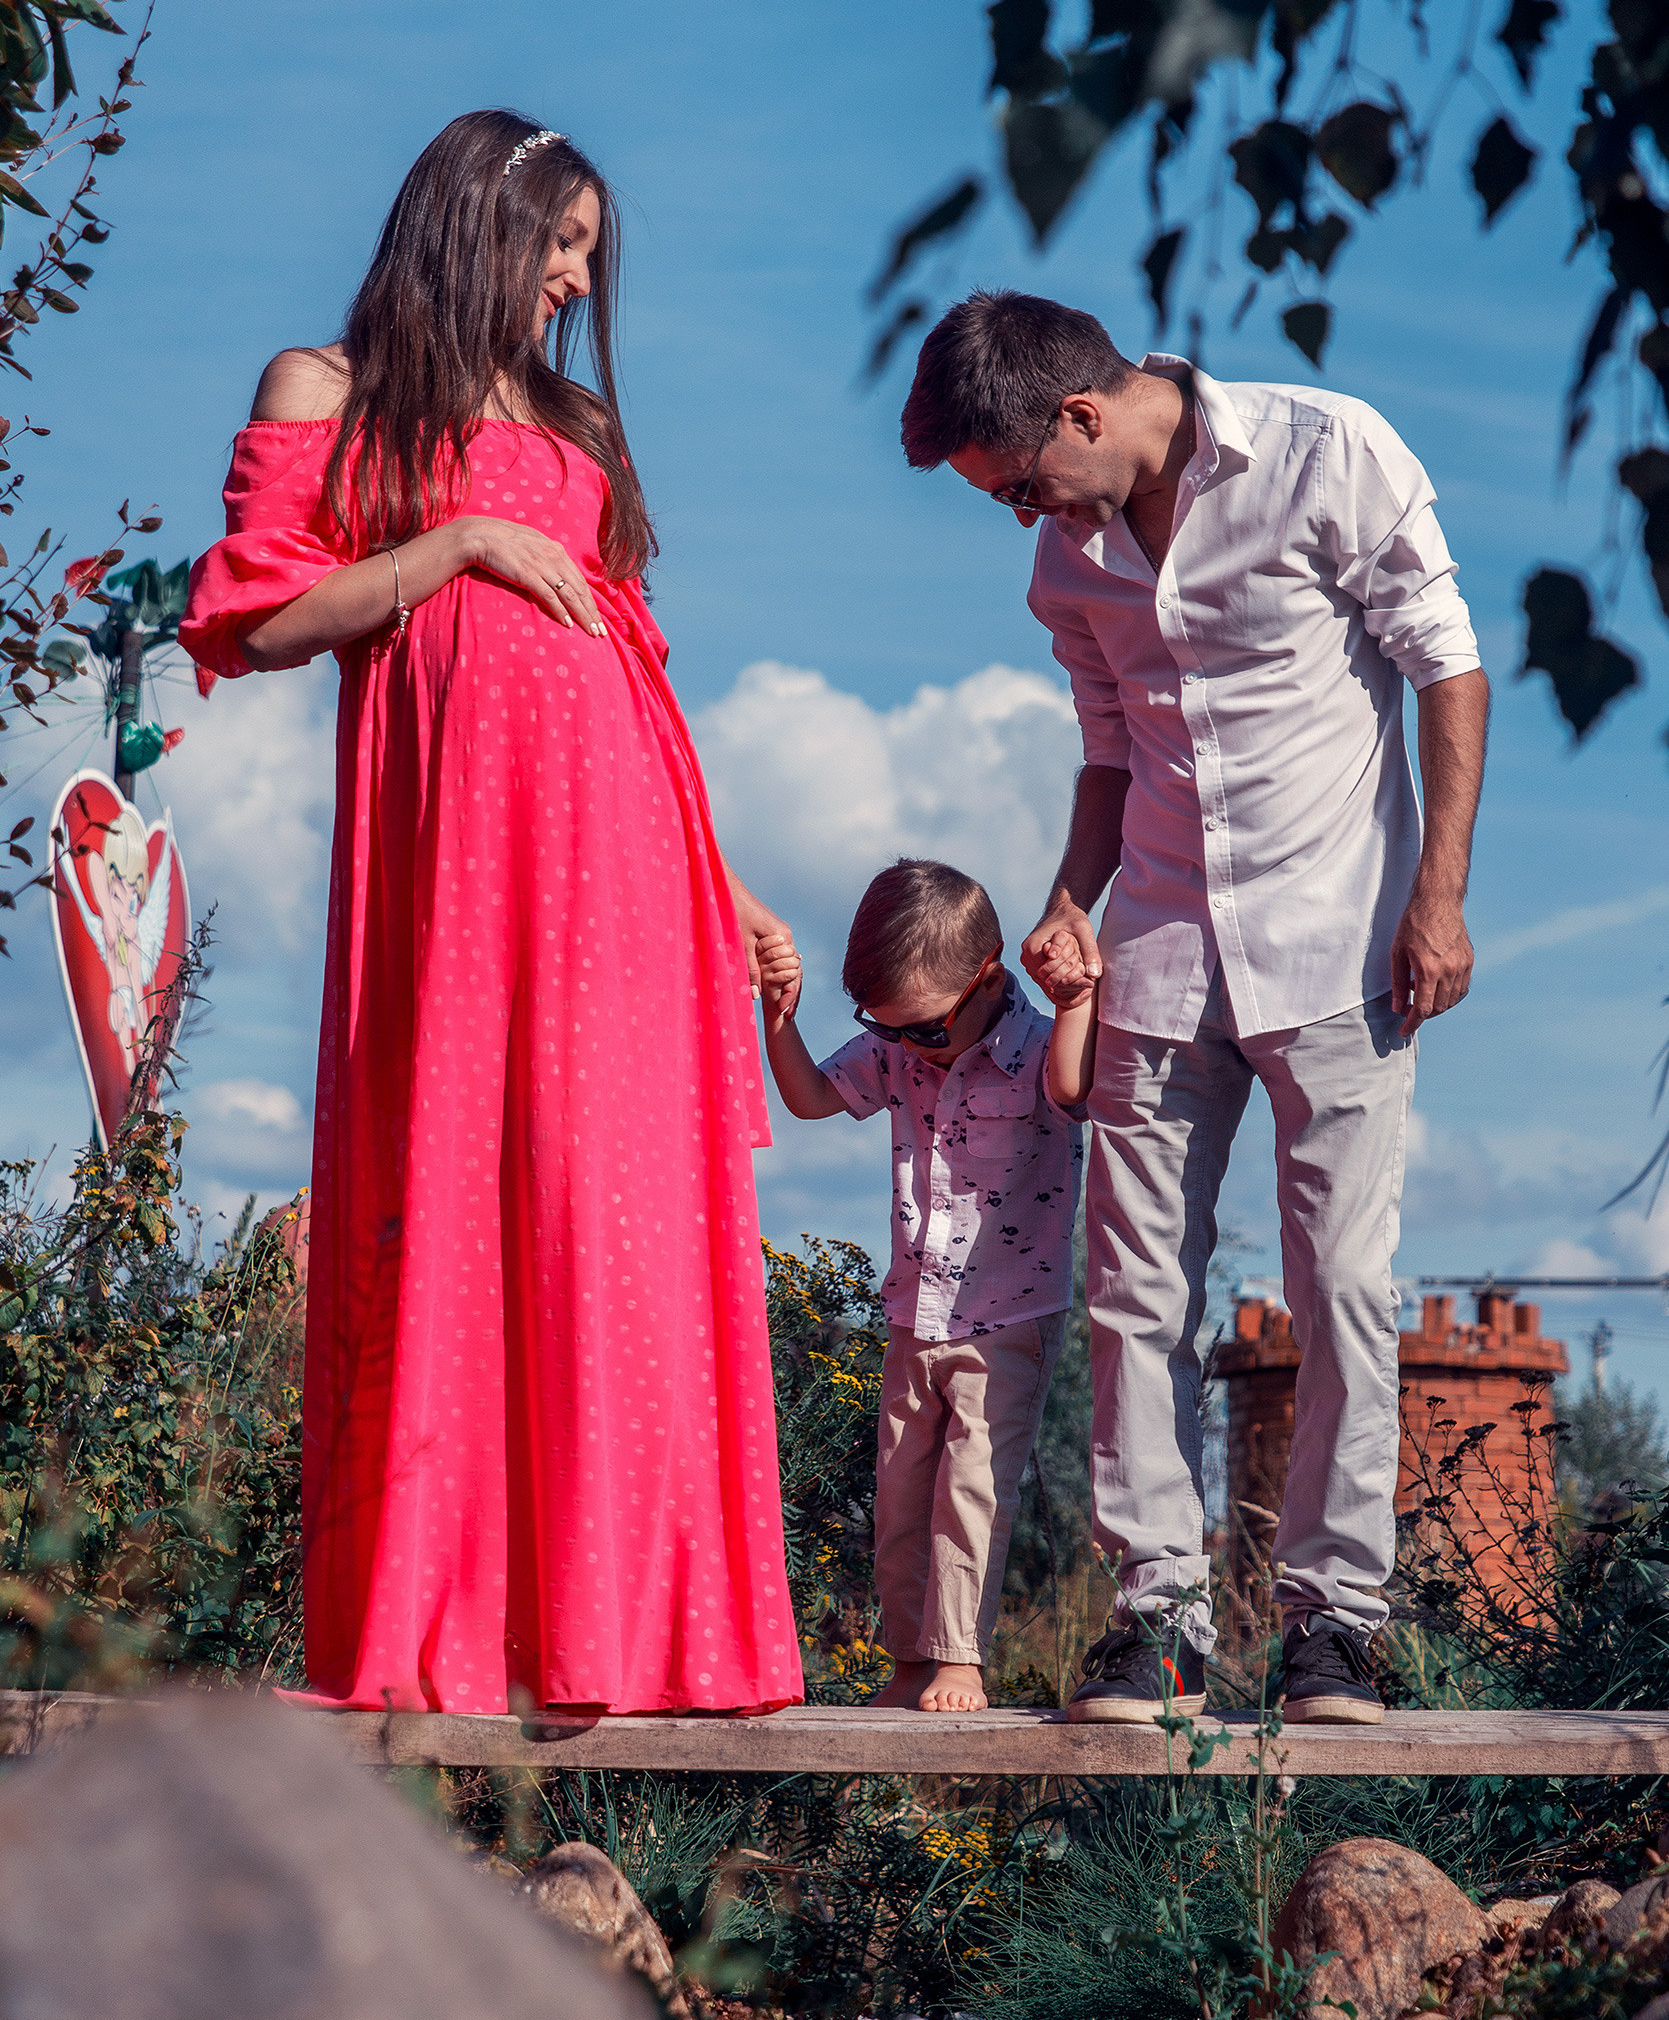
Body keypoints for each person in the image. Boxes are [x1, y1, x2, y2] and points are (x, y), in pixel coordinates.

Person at [179, 111, 804, 1717]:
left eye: (590, 250)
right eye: (562, 242)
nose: (578, 278)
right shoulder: (327, 389)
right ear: (477, 224)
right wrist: (452, 539)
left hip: (626, 838)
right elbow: (255, 618)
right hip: (458, 847)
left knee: (614, 1199)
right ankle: (465, 1627)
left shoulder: (581, 419)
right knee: (462, 1179)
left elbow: (636, 655)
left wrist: (718, 872)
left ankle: (637, 1628)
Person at [900, 291, 1489, 1727]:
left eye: (1025, 480)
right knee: (1132, 1296)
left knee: (1341, 1285)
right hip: (1160, 951)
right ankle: (1153, 1620)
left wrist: (1440, 894)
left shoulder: (1324, 450)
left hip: (1340, 945)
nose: (1021, 515)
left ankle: (1333, 1625)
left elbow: (1448, 667)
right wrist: (1066, 899)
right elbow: (1109, 752)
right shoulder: (1067, 562)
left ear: (1084, 416)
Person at [756, 858, 1084, 1712]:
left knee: (971, 1488)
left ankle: (959, 1656)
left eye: (926, 1029)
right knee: (900, 1492)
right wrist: (777, 1019)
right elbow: (808, 1099)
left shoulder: (1044, 1048)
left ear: (987, 974)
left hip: (1009, 1313)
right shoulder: (900, 1048)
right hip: (915, 1307)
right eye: (887, 1028)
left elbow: (1079, 1090)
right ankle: (908, 1658)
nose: (909, 1046)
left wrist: (1078, 1001)